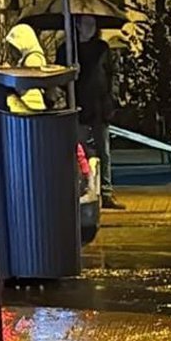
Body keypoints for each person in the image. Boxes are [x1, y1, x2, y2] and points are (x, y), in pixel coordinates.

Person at [64, 14, 122, 208]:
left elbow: (112, 74)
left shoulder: (102, 48)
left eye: (93, 24)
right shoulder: (67, 50)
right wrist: (71, 73)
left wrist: (111, 98)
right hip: (78, 107)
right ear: (77, 26)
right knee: (80, 152)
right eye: (86, 23)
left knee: (103, 151)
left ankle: (106, 192)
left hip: (99, 107)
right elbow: (58, 76)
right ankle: (82, 190)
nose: (90, 27)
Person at [4, 22, 48, 113]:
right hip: (26, 103)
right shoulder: (28, 58)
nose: (12, 51)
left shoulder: (33, 59)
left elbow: (25, 84)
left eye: (14, 47)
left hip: (30, 104)